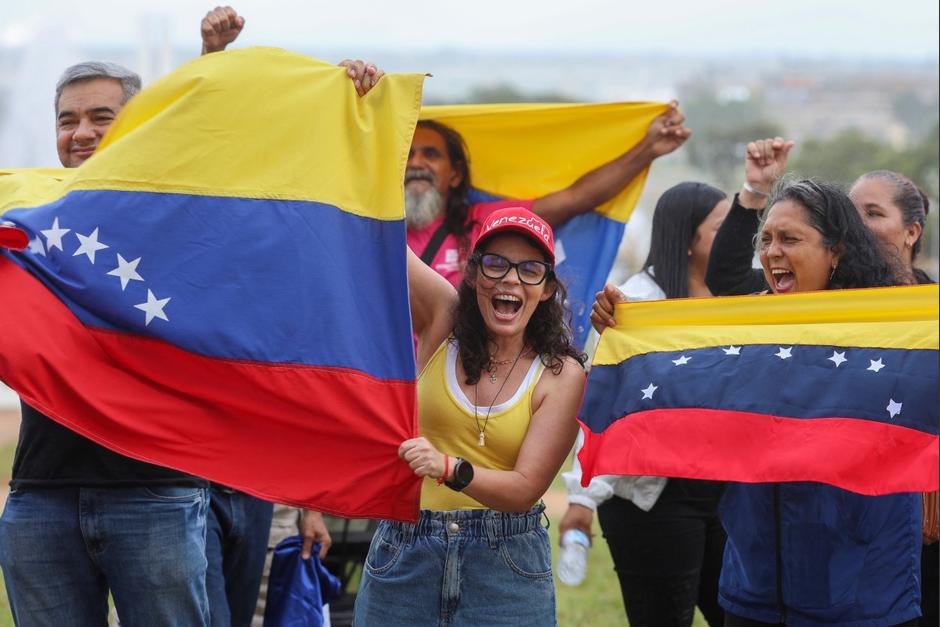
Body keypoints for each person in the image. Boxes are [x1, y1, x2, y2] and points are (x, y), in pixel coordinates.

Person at [199, 8, 691, 287]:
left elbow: (577, 198)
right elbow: (269, 157)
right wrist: (215, 58)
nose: (416, 163)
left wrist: (647, 148)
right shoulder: (354, 219)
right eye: (408, 154)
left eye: (431, 155)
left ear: (456, 174)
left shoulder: (484, 225)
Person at [612, 178, 918, 624]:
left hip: (862, 595)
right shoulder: (744, 328)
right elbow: (681, 384)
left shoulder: (891, 335)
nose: (773, 252)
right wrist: (626, 331)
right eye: (767, 239)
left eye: (790, 239)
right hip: (754, 588)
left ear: (836, 250)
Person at [0, 61, 213, 626]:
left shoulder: (185, 214)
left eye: (102, 117)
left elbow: (242, 150)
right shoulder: (24, 222)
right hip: (40, 495)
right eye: (67, 120)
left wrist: (339, 98)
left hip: (156, 493)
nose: (82, 133)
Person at [353, 207, 586, 626]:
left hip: (505, 570)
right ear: (475, 275)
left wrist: (447, 468)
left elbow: (524, 489)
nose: (511, 279)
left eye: (530, 270)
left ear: (547, 288)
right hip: (406, 553)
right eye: (496, 264)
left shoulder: (561, 374)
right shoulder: (443, 322)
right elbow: (378, 237)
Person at [559, 181, 730, 626]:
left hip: (722, 493)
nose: (737, 234)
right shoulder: (633, 302)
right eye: (722, 225)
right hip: (650, 500)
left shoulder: (736, 295)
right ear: (688, 237)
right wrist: (582, 498)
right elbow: (604, 403)